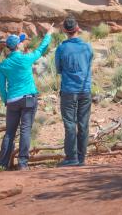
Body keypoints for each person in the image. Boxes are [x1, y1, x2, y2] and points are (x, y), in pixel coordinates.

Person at [0, 26, 53, 170]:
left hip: (12, 101)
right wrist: (48, 35)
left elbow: (2, 88)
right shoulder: (25, 59)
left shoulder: (3, 64)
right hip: (28, 97)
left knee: (9, 132)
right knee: (25, 129)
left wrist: (6, 100)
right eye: (21, 42)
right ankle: (22, 163)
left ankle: (2, 164)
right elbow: (41, 50)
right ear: (17, 45)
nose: (23, 43)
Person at [55, 16, 93, 166]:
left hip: (69, 90)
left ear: (65, 30)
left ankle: (71, 158)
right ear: (77, 28)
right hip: (85, 89)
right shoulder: (87, 47)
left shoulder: (61, 48)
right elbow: (89, 63)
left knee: (70, 123)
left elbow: (58, 69)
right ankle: (81, 157)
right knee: (83, 124)